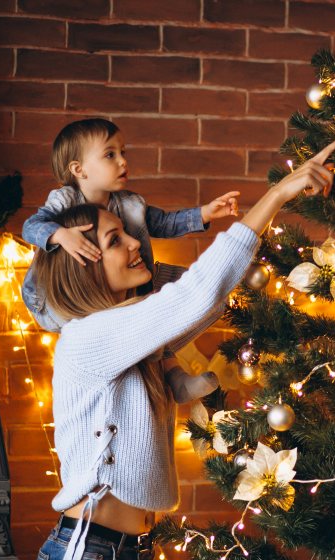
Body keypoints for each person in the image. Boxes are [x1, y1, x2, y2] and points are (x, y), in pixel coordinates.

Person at [30, 136, 335, 560]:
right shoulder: (88, 337)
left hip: (125, 553)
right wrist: (276, 195)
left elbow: (199, 305)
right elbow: (196, 293)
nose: (137, 242)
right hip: (89, 558)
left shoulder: (129, 335)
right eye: (115, 240)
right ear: (84, 266)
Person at [21, 118, 240, 404]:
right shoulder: (65, 200)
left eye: (124, 152)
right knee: (133, 328)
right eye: (110, 155)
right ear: (79, 169)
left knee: (173, 300)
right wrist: (60, 234)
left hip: (127, 287)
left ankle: (174, 377)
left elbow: (162, 223)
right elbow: (31, 226)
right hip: (67, 298)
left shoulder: (129, 203)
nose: (123, 161)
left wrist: (204, 214)